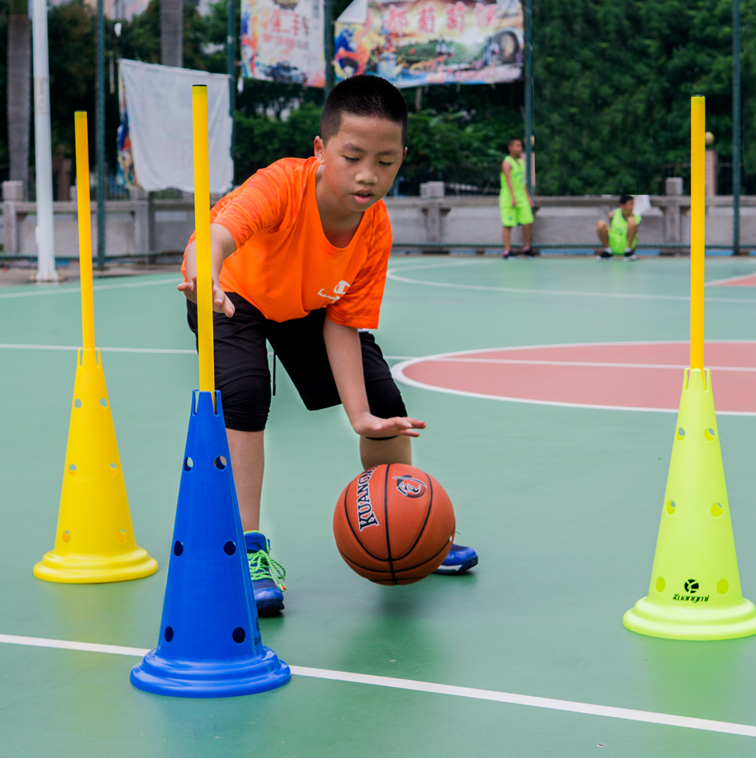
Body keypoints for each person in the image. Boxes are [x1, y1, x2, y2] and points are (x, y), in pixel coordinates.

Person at [178, 75, 478, 615]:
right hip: (228, 290)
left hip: (306, 302)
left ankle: (406, 524)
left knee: (383, 403)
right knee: (244, 393)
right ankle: (245, 550)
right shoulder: (281, 186)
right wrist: (208, 276)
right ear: (321, 149)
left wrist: (360, 416)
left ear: (402, 158)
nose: (368, 175)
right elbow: (217, 235)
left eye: (385, 161)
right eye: (352, 157)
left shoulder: (375, 228)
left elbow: (343, 322)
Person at [499, 137, 537, 259]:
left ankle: (526, 248)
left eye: (520, 146)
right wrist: (513, 197)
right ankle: (507, 251)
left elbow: (522, 181)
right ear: (510, 148)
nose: (519, 148)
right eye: (516, 146)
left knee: (528, 221)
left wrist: (528, 197)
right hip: (509, 197)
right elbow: (508, 180)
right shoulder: (507, 162)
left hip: (521, 197)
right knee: (508, 224)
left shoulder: (521, 162)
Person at [597, 195, 640, 260]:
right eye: (630, 204)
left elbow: (634, 228)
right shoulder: (613, 214)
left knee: (631, 221)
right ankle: (608, 251)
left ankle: (628, 251)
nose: (632, 207)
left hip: (627, 249)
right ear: (622, 205)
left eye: (633, 204)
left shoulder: (636, 217)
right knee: (600, 223)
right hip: (614, 247)